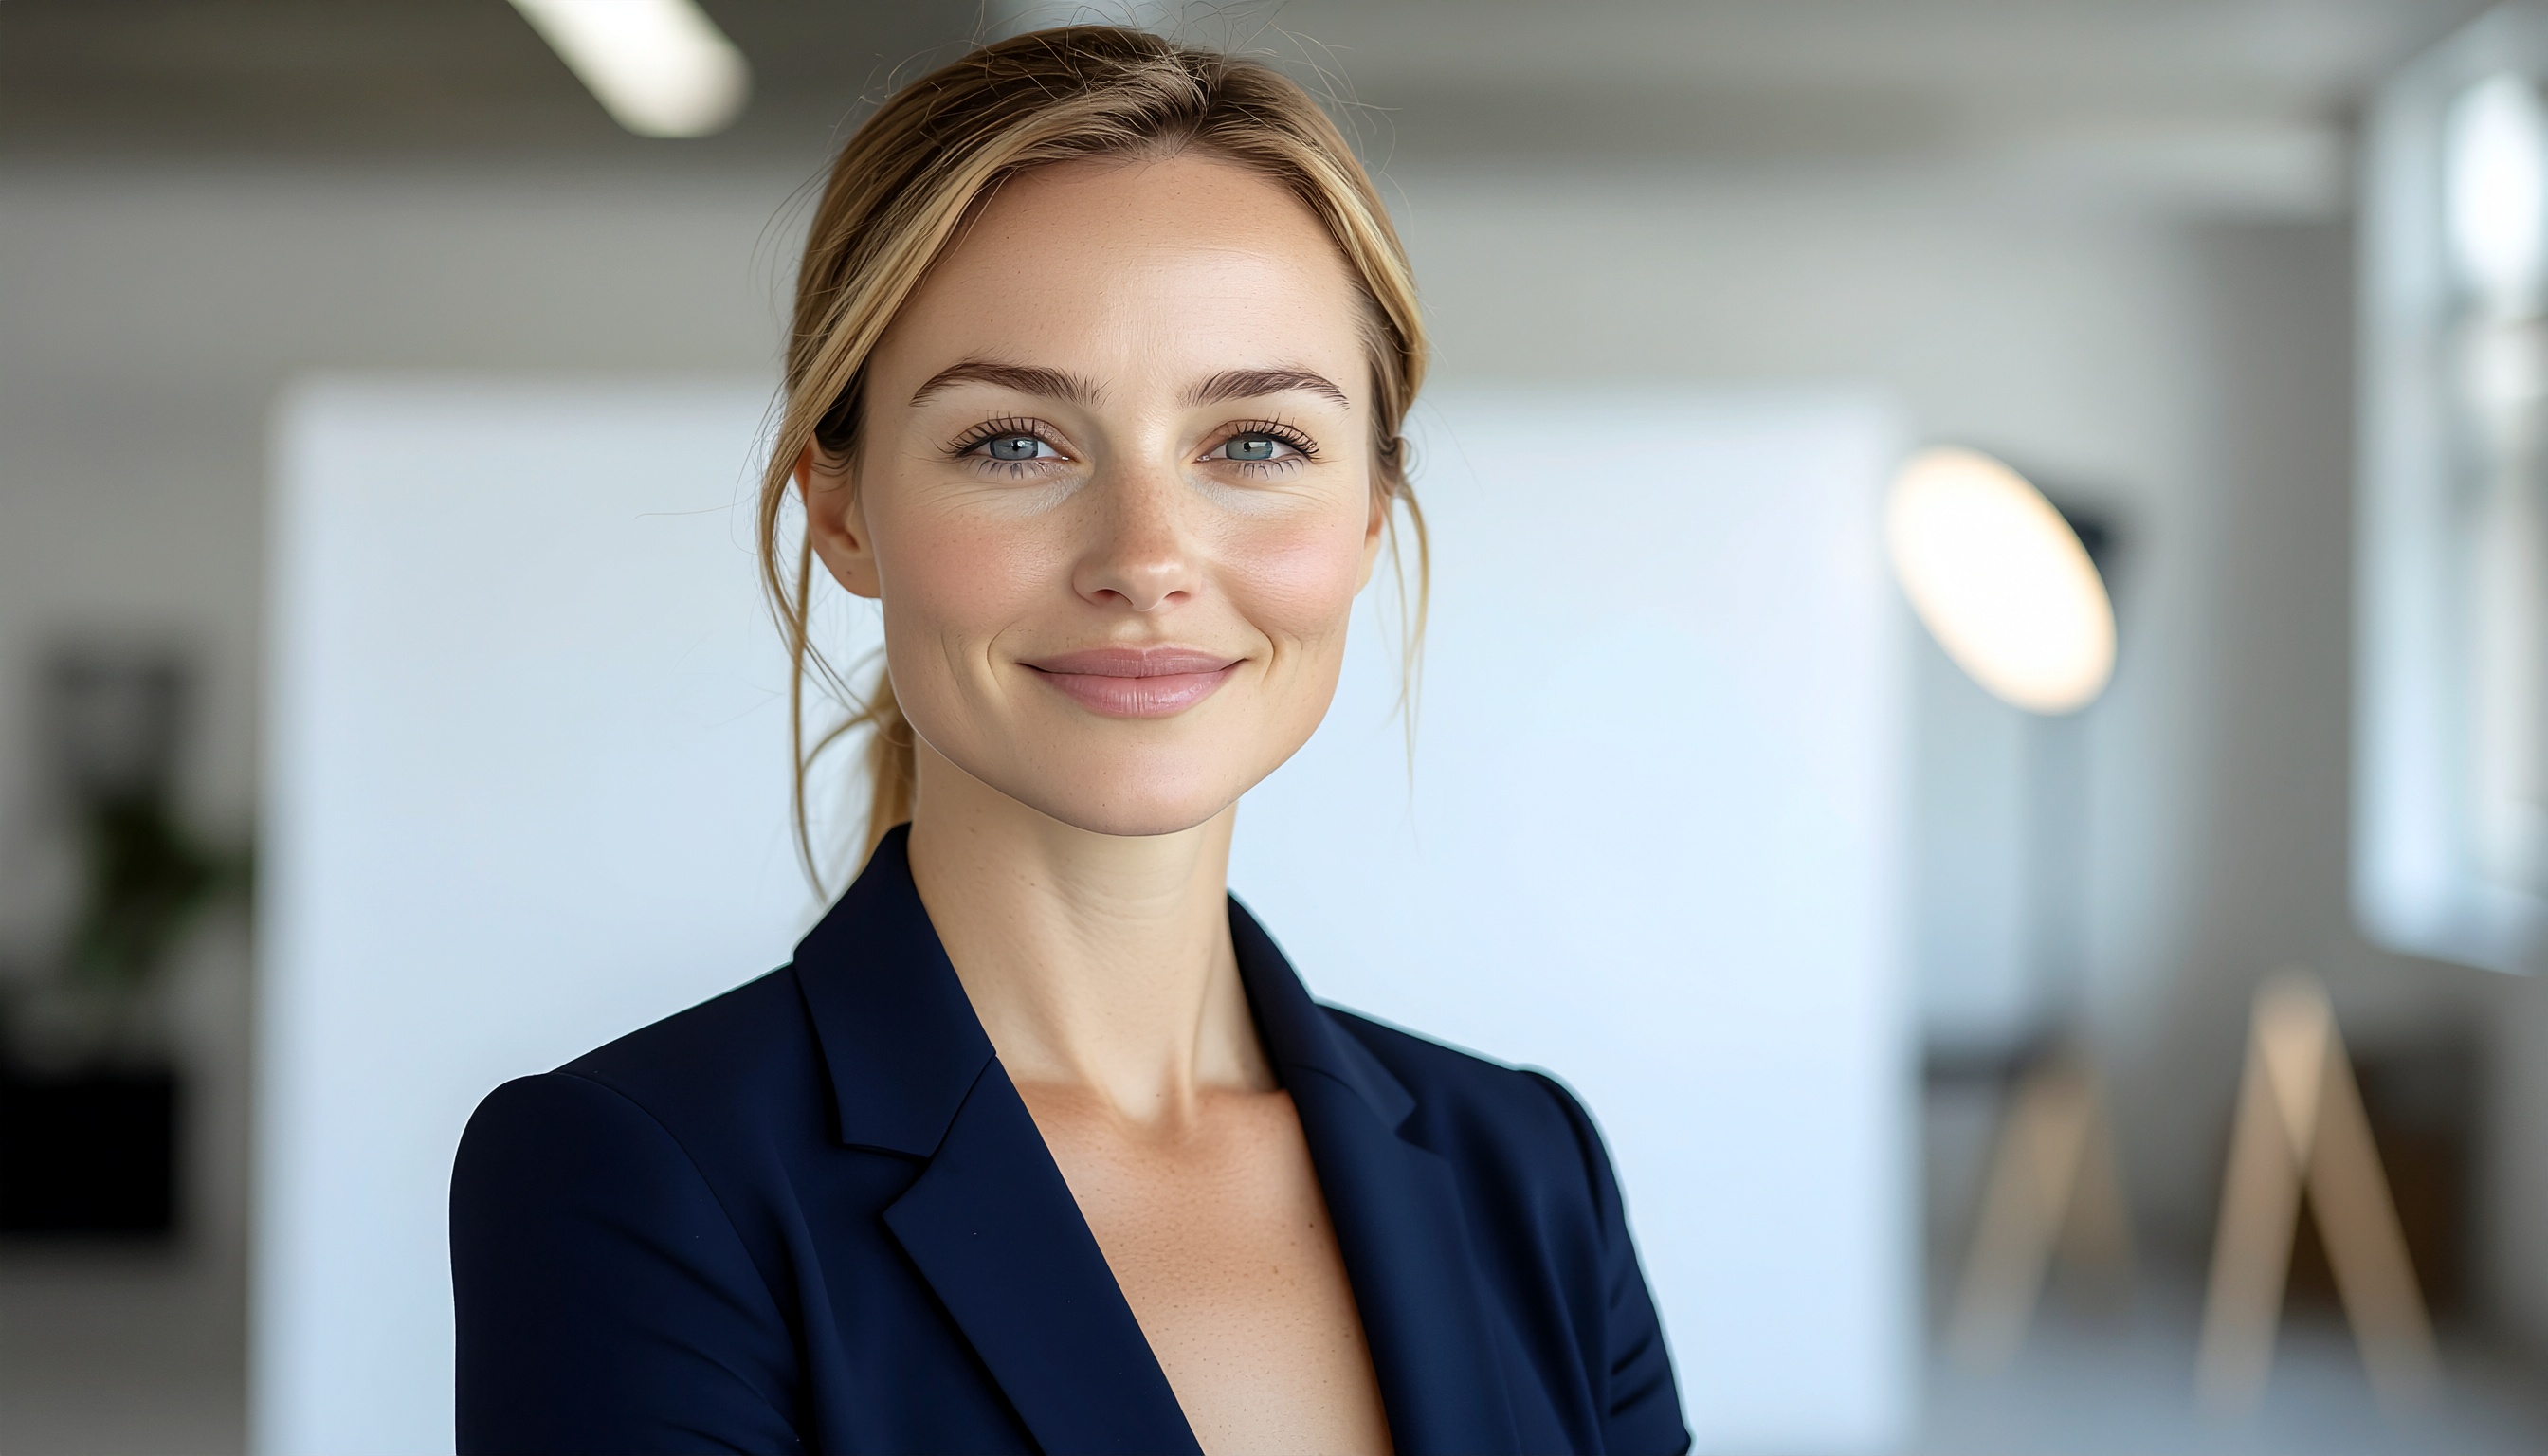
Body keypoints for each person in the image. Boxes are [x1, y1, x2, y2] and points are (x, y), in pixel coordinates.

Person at [449, 26, 1687, 1456]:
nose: (1146, 558)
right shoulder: (639, 1179)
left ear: (1365, 515)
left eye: (1258, 444)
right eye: (1015, 443)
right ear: (841, 512)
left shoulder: (1529, 1173)